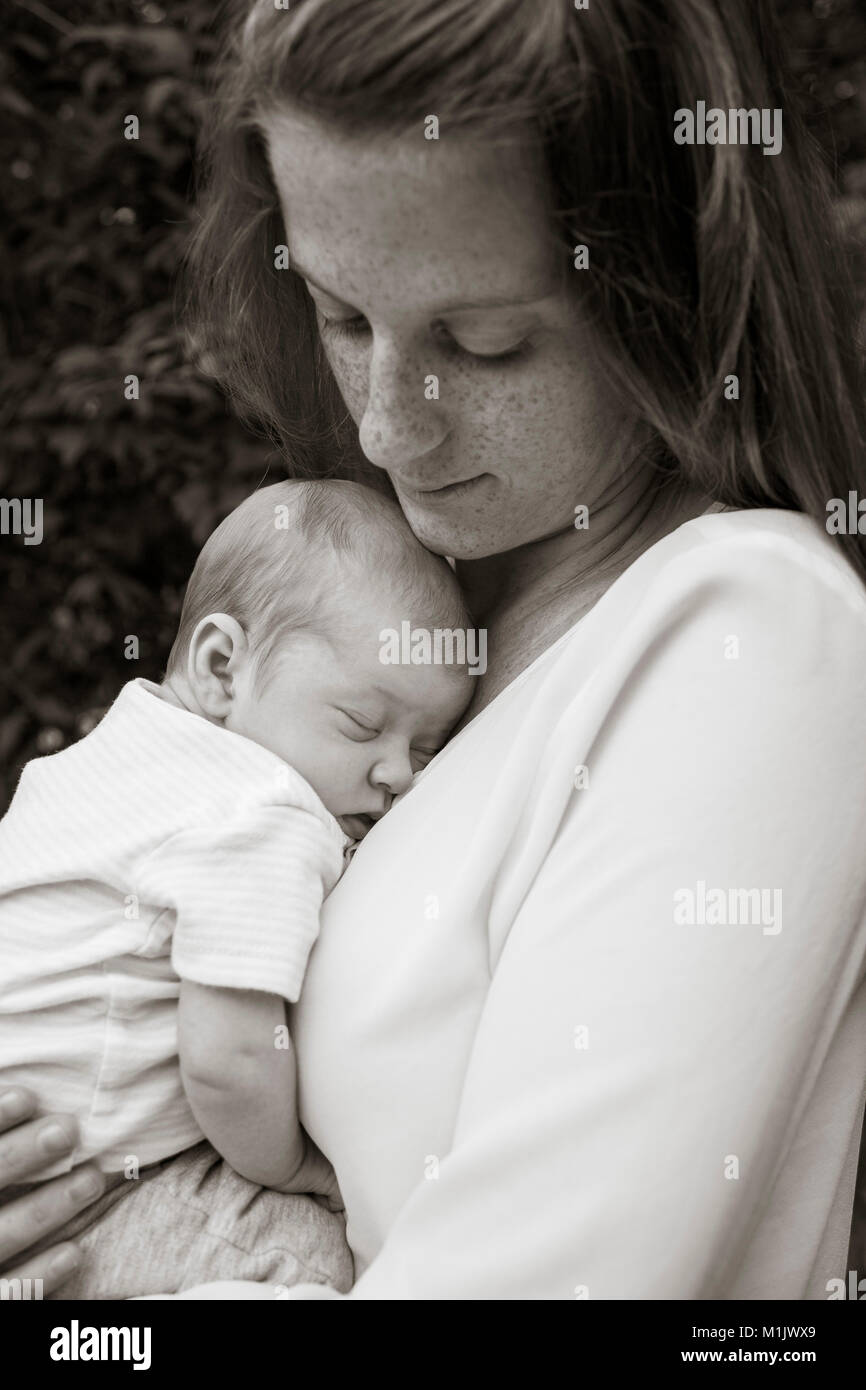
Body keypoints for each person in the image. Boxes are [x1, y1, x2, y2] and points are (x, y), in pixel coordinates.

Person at [2, 0, 865, 1299]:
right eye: (345, 318)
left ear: (672, 294)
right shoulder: (402, 623)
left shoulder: (753, 637)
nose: (391, 429)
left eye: (480, 341)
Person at [0, 480, 472, 1298]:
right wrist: (293, 1167)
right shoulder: (258, 804)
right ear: (224, 667)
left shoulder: (100, 764)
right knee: (304, 1255)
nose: (397, 773)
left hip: (32, 1161)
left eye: (427, 747)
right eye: (363, 725)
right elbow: (227, 1058)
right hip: (71, 1196)